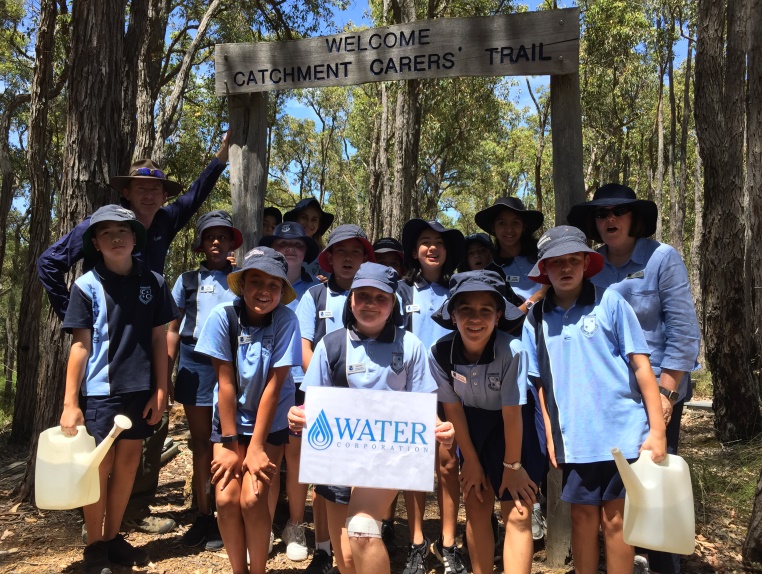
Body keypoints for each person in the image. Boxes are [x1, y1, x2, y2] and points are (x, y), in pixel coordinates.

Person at [38, 135, 230, 535]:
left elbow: (195, 196)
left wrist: (221, 156)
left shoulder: (164, 221)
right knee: (103, 444)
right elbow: (49, 263)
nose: (150, 194)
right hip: (105, 346)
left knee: (145, 430)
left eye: (157, 188)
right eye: (141, 187)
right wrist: (77, 318)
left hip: (148, 339)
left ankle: (132, 511)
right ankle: (97, 530)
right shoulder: (103, 224)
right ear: (126, 191)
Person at [287, 262, 455, 574]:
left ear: (393, 304)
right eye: (362, 296)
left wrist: (439, 427)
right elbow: (312, 404)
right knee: (348, 559)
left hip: (386, 459)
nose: (371, 304)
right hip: (336, 459)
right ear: (351, 300)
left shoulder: (410, 346)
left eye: (381, 298)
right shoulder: (331, 345)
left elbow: (423, 406)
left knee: (362, 531)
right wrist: (298, 416)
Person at [567, 183, 701, 574]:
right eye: (601, 214)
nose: (609, 220)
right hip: (608, 402)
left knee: (654, 491)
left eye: (618, 212)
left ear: (634, 219)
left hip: (656, 392)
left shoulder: (662, 258)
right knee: (616, 497)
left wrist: (665, 395)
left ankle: (663, 566)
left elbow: (683, 333)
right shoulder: (588, 264)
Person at [521, 225, 667, 574]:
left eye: (574, 260)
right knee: (582, 521)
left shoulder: (610, 302)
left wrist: (657, 430)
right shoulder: (536, 319)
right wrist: (553, 438)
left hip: (622, 437)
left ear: (587, 264)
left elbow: (642, 368)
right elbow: (540, 384)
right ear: (544, 269)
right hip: (575, 441)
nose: (566, 268)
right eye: (556, 262)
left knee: (617, 522)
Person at [59, 205, 178, 574]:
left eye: (123, 231)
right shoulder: (86, 286)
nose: (116, 238)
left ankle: (112, 537)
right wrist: (70, 403)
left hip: (141, 391)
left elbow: (160, 340)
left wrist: (162, 389)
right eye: (106, 232)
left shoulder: (154, 282)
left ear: (134, 238)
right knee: (99, 468)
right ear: (95, 242)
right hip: (101, 392)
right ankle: (94, 545)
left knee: (128, 466)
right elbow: (80, 345)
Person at [193, 247, 301, 574]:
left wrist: (255, 447)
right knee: (225, 500)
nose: (264, 291)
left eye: (273, 284)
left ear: (282, 291)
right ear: (243, 285)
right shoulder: (223, 316)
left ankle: (258, 570)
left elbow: (274, 385)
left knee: (253, 499)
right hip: (228, 420)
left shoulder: (286, 320)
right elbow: (224, 383)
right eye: (256, 281)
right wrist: (228, 445)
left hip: (269, 422)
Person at [429, 270, 537, 574]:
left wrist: (512, 467)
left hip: (513, 427)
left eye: (485, 310)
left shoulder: (511, 351)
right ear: (452, 315)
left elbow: (513, 413)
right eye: (465, 310)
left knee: (517, 509)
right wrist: (472, 461)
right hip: (471, 426)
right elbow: (454, 409)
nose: (475, 319)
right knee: (476, 503)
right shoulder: (439, 353)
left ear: (499, 315)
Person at [294, 224, 375, 573]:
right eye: (340, 252)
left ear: (364, 259)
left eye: (355, 253)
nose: (347, 259)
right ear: (328, 259)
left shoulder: (376, 295)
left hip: (368, 402)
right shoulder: (315, 296)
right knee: (323, 480)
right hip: (324, 398)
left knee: (361, 476)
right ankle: (324, 550)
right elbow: (304, 347)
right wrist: (329, 386)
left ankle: (362, 547)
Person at [167, 210, 243, 551]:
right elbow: (171, 327)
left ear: (231, 242)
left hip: (232, 364)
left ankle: (233, 510)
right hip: (194, 363)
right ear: (200, 244)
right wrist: (166, 372)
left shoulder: (241, 280)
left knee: (231, 438)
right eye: (210, 236)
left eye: (222, 236)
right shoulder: (186, 280)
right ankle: (203, 515)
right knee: (200, 443)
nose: (216, 241)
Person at [475, 197, 549, 540]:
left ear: (525, 228)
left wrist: (529, 302)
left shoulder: (541, 265)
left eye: (515, 223)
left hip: (539, 363)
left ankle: (533, 507)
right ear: (493, 229)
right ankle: (489, 524)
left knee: (536, 439)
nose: (508, 230)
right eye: (502, 224)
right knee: (493, 442)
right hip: (498, 367)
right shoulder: (486, 268)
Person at [398, 219, 465, 574]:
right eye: (425, 242)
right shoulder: (401, 291)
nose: (432, 248)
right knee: (414, 468)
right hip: (410, 390)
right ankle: (417, 542)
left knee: (448, 464)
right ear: (414, 251)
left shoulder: (459, 289)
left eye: (439, 242)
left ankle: (450, 543)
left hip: (450, 391)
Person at [258, 222, 320, 561]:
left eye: (297, 244)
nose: (291, 249)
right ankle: (263, 525)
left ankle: (295, 525)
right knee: (270, 459)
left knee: (297, 460)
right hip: (267, 384)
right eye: (283, 243)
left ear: (306, 251)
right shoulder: (264, 285)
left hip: (303, 384)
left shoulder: (315, 290)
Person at [283, 197, 335, 277]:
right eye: (304, 217)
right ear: (295, 220)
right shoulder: (282, 247)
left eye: (314, 220)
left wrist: (320, 281)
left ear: (319, 225)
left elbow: (329, 281)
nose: (309, 223)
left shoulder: (323, 254)